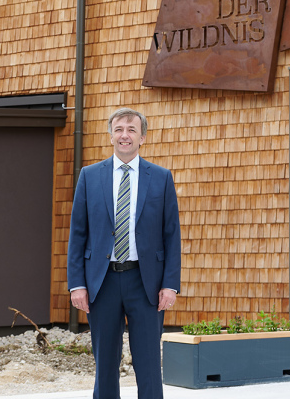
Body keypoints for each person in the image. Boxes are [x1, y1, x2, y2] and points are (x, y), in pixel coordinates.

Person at [68, 108, 181, 399]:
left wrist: (170, 284)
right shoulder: (90, 176)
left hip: (146, 283)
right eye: (118, 129)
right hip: (101, 282)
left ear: (142, 137)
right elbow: (78, 234)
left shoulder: (160, 177)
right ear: (110, 136)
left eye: (131, 130)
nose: (124, 135)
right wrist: (77, 284)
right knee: (105, 361)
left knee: (148, 363)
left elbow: (171, 236)